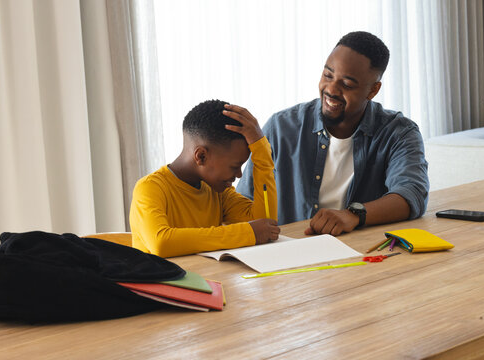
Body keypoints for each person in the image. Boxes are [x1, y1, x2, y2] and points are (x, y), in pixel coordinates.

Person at [237, 31, 429, 236]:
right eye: (328, 75)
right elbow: (243, 202)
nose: (331, 90)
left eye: (346, 84)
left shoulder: (399, 133)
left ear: (373, 90)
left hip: (358, 252)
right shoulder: (281, 127)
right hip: (288, 251)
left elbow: (411, 193)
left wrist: (354, 215)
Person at [129, 99, 279, 257]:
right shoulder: (150, 188)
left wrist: (260, 149)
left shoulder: (219, 192)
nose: (239, 175)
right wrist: (245, 233)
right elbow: (162, 243)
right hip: (161, 280)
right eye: (234, 167)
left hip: (206, 279)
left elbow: (265, 226)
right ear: (201, 156)